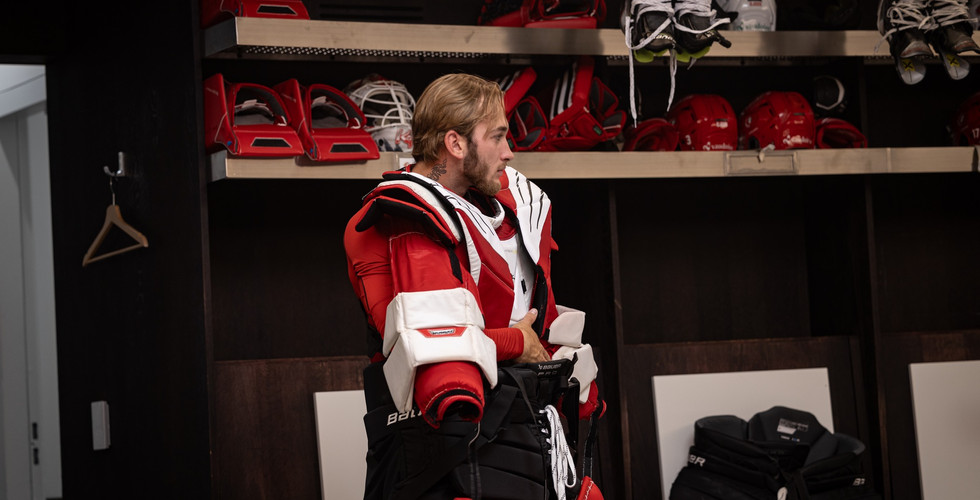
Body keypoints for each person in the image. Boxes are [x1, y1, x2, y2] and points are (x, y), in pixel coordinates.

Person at [344, 73, 605, 500]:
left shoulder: (512, 212)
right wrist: (516, 342)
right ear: (456, 144)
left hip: (526, 434)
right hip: (437, 452)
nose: (509, 151)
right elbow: (423, 342)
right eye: (497, 137)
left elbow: (543, 327)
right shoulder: (390, 221)